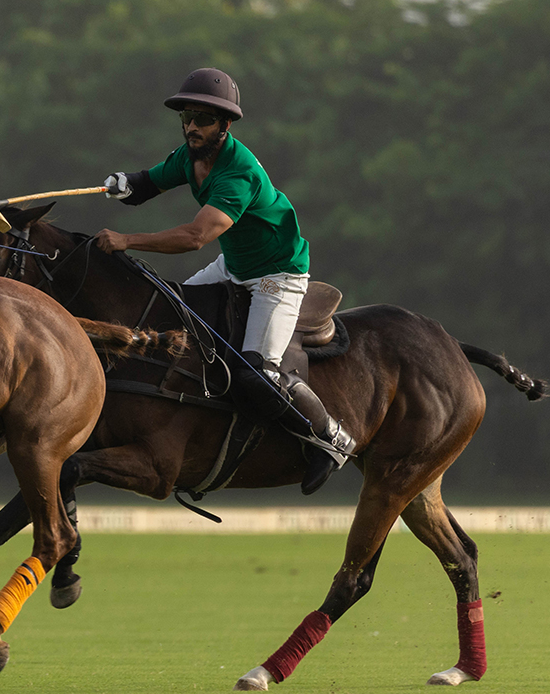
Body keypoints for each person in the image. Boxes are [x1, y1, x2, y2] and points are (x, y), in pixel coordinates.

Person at [94, 67, 355, 494]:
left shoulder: (239, 172)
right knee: (172, 312)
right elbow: (150, 182)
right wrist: (125, 183)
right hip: (234, 266)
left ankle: (331, 438)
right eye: (187, 117)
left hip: (277, 275)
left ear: (225, 125)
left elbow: (195, 236)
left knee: (259, 374)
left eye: (203, 119)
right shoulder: (192, 155)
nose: (192, 126)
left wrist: (127, 241)